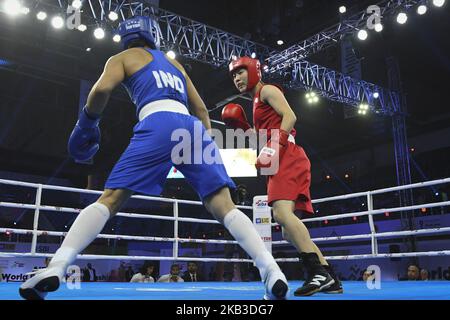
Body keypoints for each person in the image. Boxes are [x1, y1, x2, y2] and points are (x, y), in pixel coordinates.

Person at [19, 16, 288, 300]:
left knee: (110, 199)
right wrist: (205, 143)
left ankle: (57, 266)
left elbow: (100, 90)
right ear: (154, 36)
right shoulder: (175, 65)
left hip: (158, 121)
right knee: (224, 206)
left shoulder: (123, 57)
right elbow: (201, 110)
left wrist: (87, 123)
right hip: (192, 128)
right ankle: (271, 270)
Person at [223, 56, 343, 296]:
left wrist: (275, 145)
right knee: (288, 229)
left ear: (254, 71)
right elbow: (260, 138)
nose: (237, 78)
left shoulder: (267, 90)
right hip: (280, 158)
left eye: (241, 72)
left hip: (286, 155)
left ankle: (317, 273)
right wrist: (243, 127)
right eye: (234, 75)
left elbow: (290, 116)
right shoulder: (255, 104)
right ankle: (330, 277)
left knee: (281, 214)